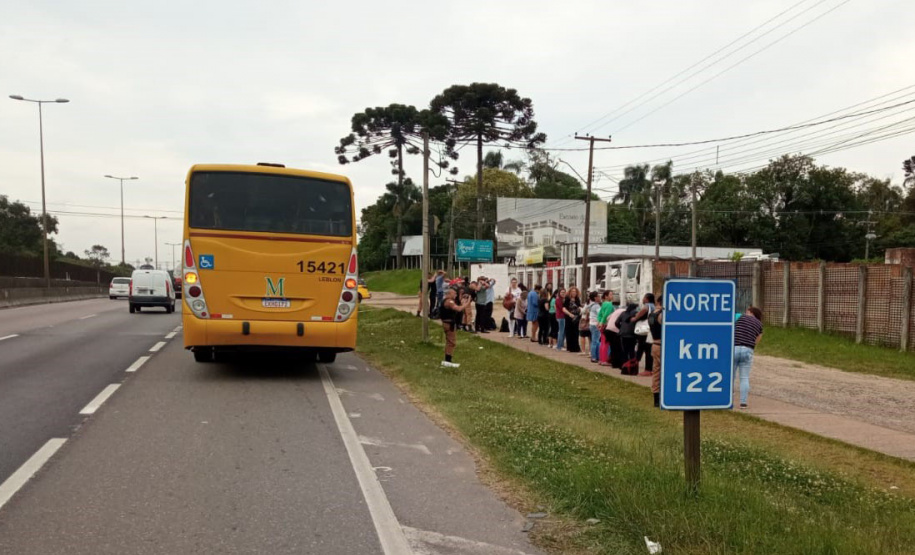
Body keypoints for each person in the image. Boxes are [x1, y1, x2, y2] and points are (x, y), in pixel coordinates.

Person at [734, 306, 764, 409]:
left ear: (750, 312)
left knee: (731, 376)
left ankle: (729, 398)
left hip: (735, 347)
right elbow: (757, 339)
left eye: (747, 310)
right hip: (748, 349)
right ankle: (743, 402)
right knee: (744, 378)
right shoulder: (759, 324)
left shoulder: (740, 318)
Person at [439, 288, 473, 368]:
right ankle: (448, 360)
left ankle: (447, 360)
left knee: (449, 342)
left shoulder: (446, 301)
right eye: (454, 293)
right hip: (449, 324)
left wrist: (462, 301)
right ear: (449, 293)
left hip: (447, 323)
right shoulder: (449, 301)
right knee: (452, 342)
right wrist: (467, 303)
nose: (455, 295)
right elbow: (458, 309)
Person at [632, 293, 656, 377]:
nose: (643, 299)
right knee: (649, 350)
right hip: (650, 330)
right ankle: (649, 369)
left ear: (647, 299)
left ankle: (643, 369)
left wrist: (636, 317)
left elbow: (644, 310)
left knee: (641, 348)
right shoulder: (654, 306)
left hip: (643, 331)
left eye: (644, 297)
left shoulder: (647, 305)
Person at [648, 300, 664, 407]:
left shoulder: (651, 314)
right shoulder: (661, 315)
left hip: (654, 344)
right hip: (662, 345)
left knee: (656, 372)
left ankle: (656, 399)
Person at [606, 301, 626, 368]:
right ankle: (619, 363)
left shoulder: (616, 311)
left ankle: (614, 363)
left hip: (608, 329)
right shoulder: (624, 312)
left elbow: (607, 318)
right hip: (615, 330)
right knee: (618, 347)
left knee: (613, 347)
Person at [596, 290, 615, 365]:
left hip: (602, 324)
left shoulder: (603, 304)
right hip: (606, 324)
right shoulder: (610, 304)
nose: (612, 296)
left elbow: (600, 314)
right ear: (606, 296)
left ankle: (601, 359)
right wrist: (602, 322)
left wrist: (599, 321)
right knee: (606, 343)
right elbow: (606, 314)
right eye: (610, 294)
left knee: (603, 342)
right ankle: (604, 360)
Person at [563, 287, 582, 353]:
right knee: (569, 332)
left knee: (576, 332)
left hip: (576, 318)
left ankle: (576, 347)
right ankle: (570, 347)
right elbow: (564, 308)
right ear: (570, 292)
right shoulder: (567, 299)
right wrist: (569, 314)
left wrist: (581, 309)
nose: (574, 293)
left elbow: (579, 306)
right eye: (573, 291)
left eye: (575, 291)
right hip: (569, 317)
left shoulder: (577, 299)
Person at [587, 291, 602, 363]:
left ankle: (595, 356)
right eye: (598, 296)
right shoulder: (596, 306)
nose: (599, 298)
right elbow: (600, 314)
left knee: (594, 340)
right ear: (595, 298)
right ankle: (594, 357)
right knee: (595, 341)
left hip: (591, 324)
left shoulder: (591, 305)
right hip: (596, 324)